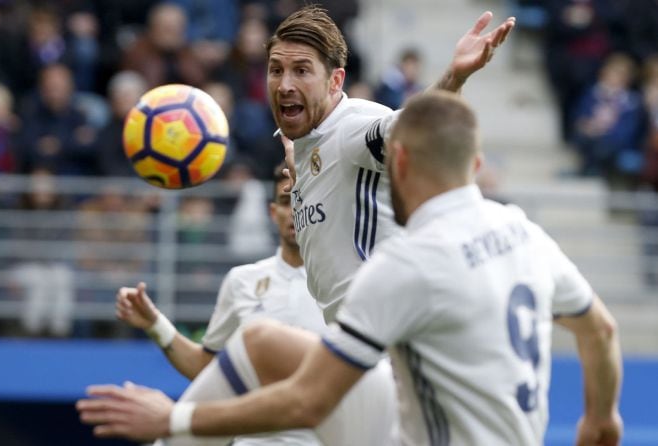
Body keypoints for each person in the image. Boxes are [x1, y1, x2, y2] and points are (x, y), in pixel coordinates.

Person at [79, 90, 624, 446]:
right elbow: (599, 330)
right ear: (477, 165)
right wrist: (601, 419)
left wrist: (171, 419)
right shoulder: (523, 231)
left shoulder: (407, 265)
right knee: (263, 342)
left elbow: (309, 401)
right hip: (469, 426)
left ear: (400, 162)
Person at [77, 5, 515, 443]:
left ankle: (169, 426)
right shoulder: (306, 146)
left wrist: (455, 78)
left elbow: (410, 129)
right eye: (275, 69)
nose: (284, 84)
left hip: (388, 358)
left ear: (335, 80)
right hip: (364, 353)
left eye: (302, 71)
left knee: (252, 356)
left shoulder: (351, 129)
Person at [115, 163, 326, 445]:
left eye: (303, 199)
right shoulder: (242, 281)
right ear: (273, 213)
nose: (295, 211)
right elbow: (210, 369)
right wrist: (156, 324)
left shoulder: (346, 280)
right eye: (286, 201)